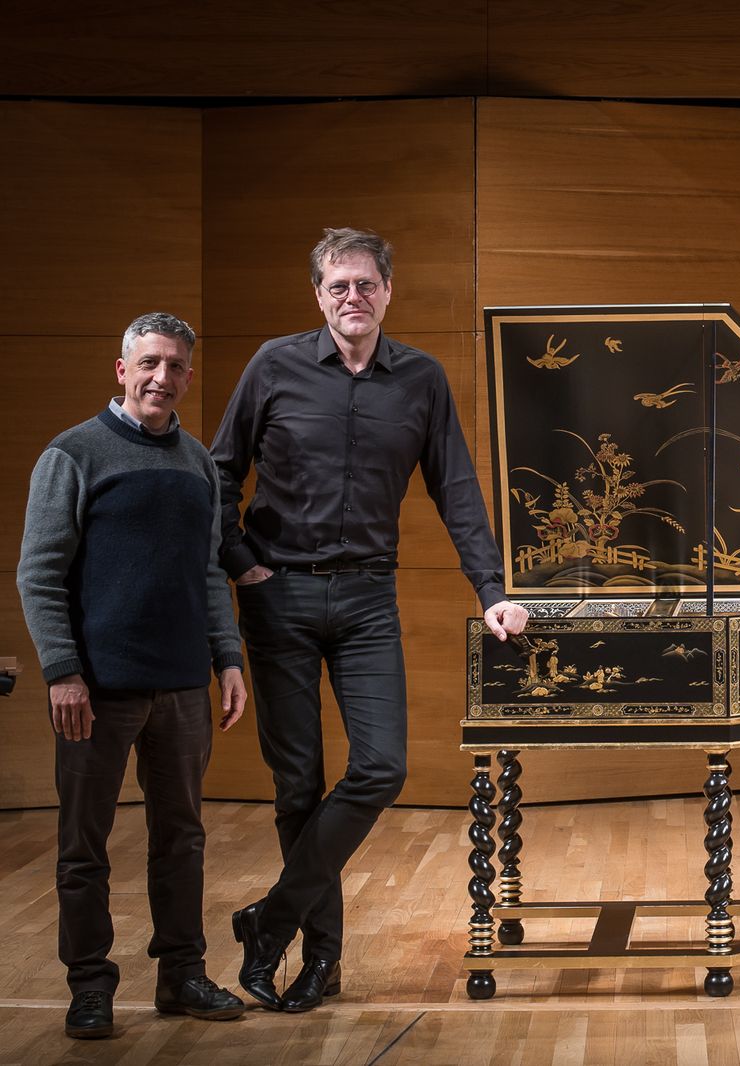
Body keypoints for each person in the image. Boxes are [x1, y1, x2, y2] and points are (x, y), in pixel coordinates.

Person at [211, 228, 529, 1011]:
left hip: (366, 602)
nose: (352, 297)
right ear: (317, 295)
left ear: (388, 290)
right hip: (277, 596)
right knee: (296, 788)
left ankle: (270, 921)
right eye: (337, 286)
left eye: (365, 284)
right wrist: (240, 557)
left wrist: (490, 588)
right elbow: (218, 472)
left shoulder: (420, 379)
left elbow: (456, 487)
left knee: (382, 766)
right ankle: (322, 963)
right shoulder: (273, 366)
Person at [17, 313, 249, 1039]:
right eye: (149, 363)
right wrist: (63, 672)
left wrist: (229, 657)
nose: (162, 378)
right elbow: (39, 573)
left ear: (187, 375)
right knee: (83, 849)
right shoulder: (74, 454)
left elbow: (210, 573)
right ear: (121, 369)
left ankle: (181, 975)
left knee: (181, 840)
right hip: (96, 693)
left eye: (176, 366)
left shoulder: (197, 465)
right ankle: (89, 986)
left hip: (180, 688)